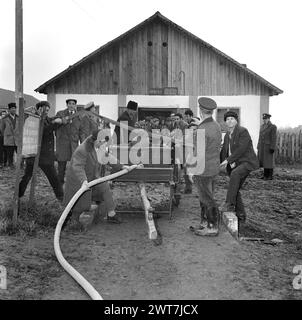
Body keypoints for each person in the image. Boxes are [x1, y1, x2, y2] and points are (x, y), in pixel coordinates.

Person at [63, 127, 126, 229]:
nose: (104, 145)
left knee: (104, 187)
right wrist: (83, 181)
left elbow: (108, 157)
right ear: (97, 140)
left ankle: (111, 214)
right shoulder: (82, 150)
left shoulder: (97, 146)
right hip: (78, 180)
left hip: (92, 178)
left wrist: (122, 166)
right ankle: (73, 221)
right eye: (103, 143)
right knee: (78, 203)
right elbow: (78, 167)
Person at [188, 97, 222, 236]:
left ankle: (212, 227)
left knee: (207, 198)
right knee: (207, 196)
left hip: (203, 169)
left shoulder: (202, 129)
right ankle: (205, 222)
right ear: (212, 112)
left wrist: (191, 169)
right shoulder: (216, 126)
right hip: (213, 167)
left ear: (201, 111)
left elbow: (199, 153)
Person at [19, 101, 64, 202]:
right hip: (36, 155)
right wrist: (55, 124)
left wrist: (59, 120)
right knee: (27, 177)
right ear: (39, 109)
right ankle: (18, 195)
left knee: (54, 178)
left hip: (45, 156)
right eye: (45, 110)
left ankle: (61, 197)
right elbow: (43, 131)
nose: (47, 112)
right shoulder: (33, 119)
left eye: (48, 110)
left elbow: (51, 121)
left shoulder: (46, 119)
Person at [220, 111, 259, 223]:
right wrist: (220, 161)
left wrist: (228, 160)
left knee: (235, 174)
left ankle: (229, 204)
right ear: (225, 122)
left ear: (236, 120)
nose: (230, 121)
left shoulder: (242, 131)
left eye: (232, 118)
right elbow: (224, 151)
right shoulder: (227, 135)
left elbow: (241, 149)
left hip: (247, 162)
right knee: (235, 188)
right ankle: (241, 216)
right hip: (235, 164)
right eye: (227, 119)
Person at [55, 98, 88, 185]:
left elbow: (81, 131)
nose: (71, 105)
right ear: (67, 105)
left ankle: (72, 183)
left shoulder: (79, 116)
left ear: (75, 105)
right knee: (61, 166)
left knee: (74, 165)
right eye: (69, 103)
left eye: (73, 104)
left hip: (73, 145)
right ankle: (59, 183)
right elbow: (55, 124)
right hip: (62, 144)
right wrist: (63, 121)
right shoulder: (60, 113)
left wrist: (83, 144)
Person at [257, 113, 277, 180]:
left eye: (266, 119)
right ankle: (265, 175)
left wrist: (272, 147)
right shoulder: (262, 126)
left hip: (268, 147)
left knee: (269, 161)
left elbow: (273, 138)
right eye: (264, 119)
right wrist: (258, 145)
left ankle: (270, 176)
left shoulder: (273, 127)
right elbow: (260, 137)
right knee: (264, 161)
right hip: (262, 147)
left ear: (269, 119)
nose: (264, 120)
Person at [0, 103, 18, 168]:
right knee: (9, 154)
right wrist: (7, 134)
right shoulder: (4, 119)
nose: (14, 110)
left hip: (17, 139)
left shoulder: (18, 118)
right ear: (9, 109)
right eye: (12, 108)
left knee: (19, 153)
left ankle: (20, 166)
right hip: (8, 139)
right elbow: (2, 129)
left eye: (15, 108)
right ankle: (10, 166)